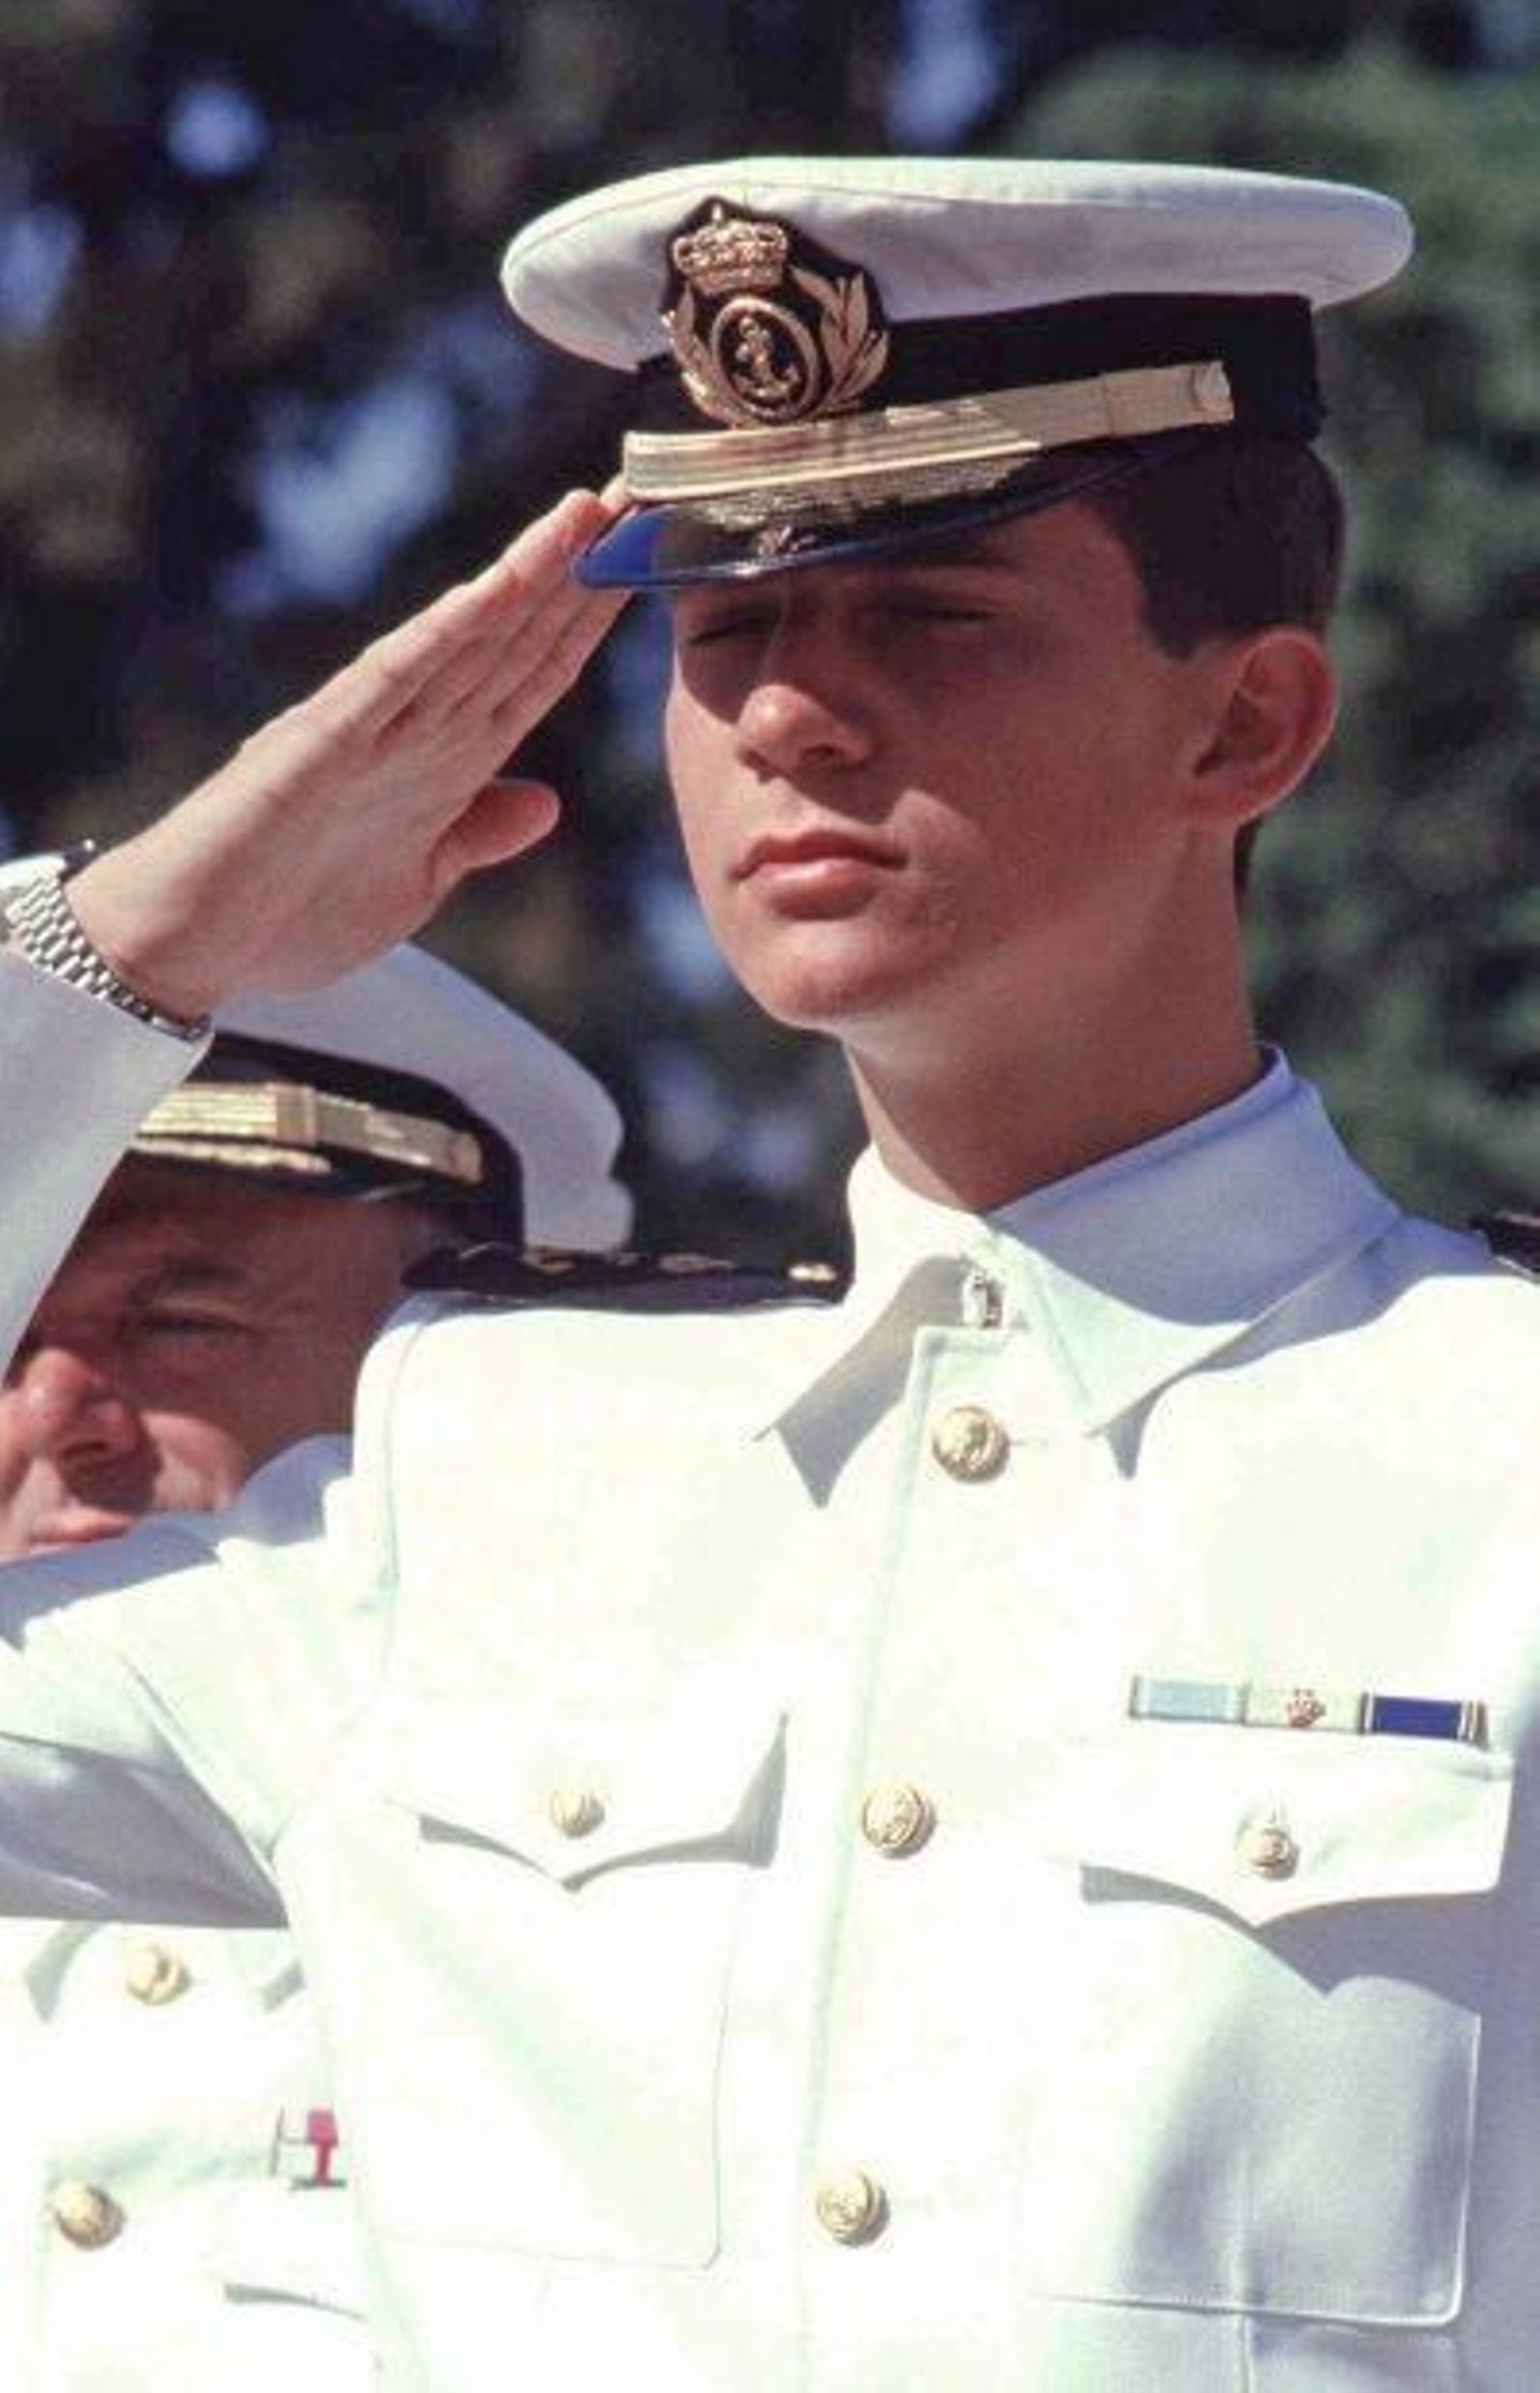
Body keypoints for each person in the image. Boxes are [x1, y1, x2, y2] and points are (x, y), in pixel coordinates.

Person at [0, 152, 1529, 2389]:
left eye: (929, 619)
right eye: (721, 634)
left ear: (1245, 723)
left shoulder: (1487, 1446)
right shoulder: (473, 1484)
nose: (789, 718)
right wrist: (131, 959)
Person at [0, 912, 629, 2388]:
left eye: (182, 1320)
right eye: (6, 1339)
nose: (58, 1418)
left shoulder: (593, 1925)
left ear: (444, 1371)